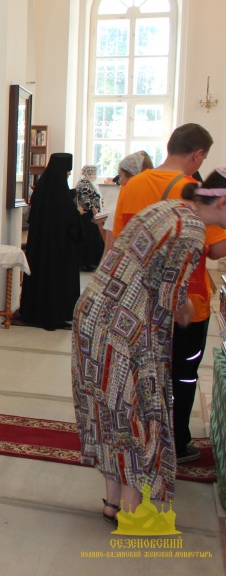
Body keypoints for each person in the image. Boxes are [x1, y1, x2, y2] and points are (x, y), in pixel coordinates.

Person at [72, 168, 226, 523]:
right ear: (221, 203)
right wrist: (191, 310)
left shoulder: (168, 208)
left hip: (94, 314)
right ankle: (130, 509)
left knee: (110, 413)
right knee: (138, 413)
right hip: (125, 326)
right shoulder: (191, 230)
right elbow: (175, 299)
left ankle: (113, 502)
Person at [110, 124, 226, 464]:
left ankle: (143, 437)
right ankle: (176, 441)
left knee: (144, 372)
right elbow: (215, 250)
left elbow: (119, 240)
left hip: (139, 300)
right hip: (187, 301)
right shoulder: (195, 192)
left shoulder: (133, 184)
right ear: (198, 155)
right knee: (182, 374)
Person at [18, 153, 81, 330]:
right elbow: (70, 222)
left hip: (40, 247)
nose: (69, 174)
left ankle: (34, 312)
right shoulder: (61, 193)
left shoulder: (40, 189)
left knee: (40, 277)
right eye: (68, 170)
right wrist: (78, 214)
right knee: (57, 280)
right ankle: (58, 314)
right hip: (60, 249)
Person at [95, 151, 153, 248]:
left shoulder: (119, 215)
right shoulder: (158, 210)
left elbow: (110, 253)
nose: (120, 181)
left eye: (121, 175)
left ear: (134, 178)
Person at [74, 165, 104, 271]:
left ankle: (89, 262)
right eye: (93, 173)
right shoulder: (85, 184)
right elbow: (86, 199)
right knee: (90, 239)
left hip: (89, 215)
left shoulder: (86, 183)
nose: (95, 175)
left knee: (91, 238)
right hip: (88, 216)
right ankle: (88, 263)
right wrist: (93, 209)